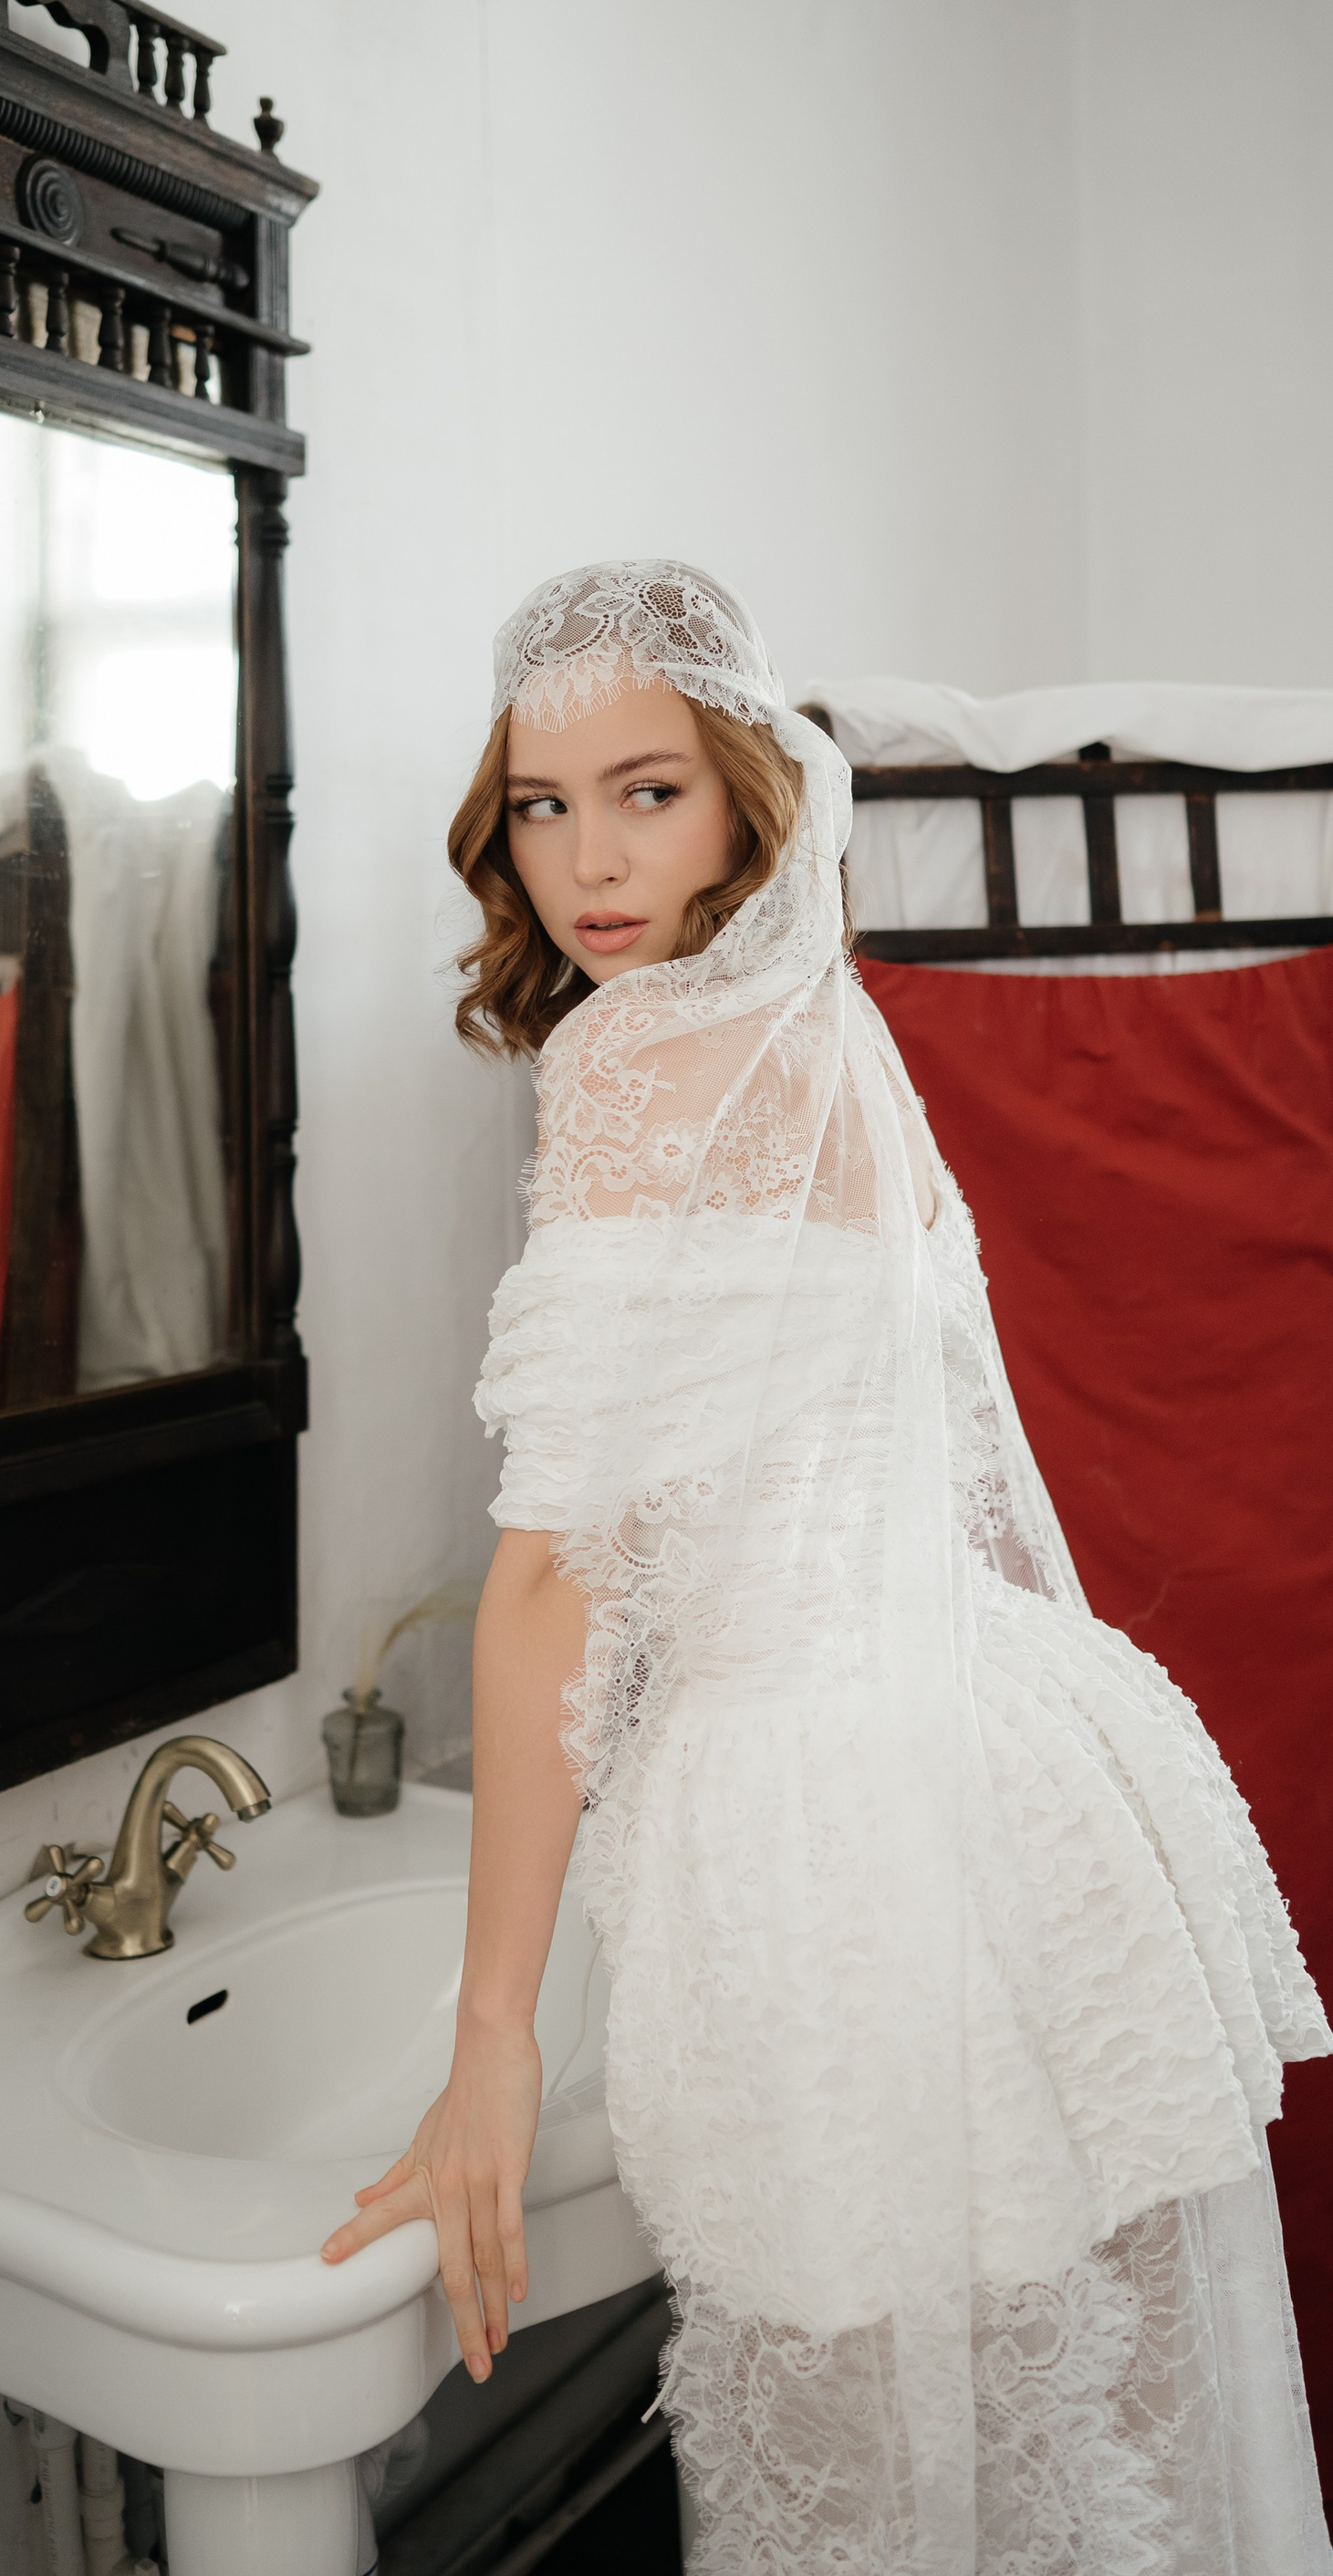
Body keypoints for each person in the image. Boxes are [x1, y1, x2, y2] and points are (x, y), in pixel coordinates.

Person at [322, 561, 1332, 2572]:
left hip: (825, 1824)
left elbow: (557, 1583)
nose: (590, 863)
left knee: (893, 2482)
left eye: (649, 793)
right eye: (543, 807)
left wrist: (493, 2033)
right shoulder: (828, 1026)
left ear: (747, 794)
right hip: (1016, 1767)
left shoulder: (637, 1065)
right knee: (1074, 2462)